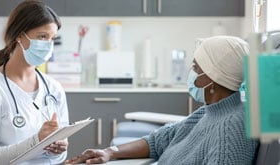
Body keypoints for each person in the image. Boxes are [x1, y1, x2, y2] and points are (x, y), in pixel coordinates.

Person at [66, 36, 259, 165]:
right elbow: (160, 140)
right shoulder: (209, 111)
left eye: (196, 68)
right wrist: (109, 152)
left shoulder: (232, 129)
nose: (191, 74)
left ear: (213, 79)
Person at [0, 0, 69, 164]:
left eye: (52, 39)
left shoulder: (54, 89)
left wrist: (58, 150)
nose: (48, 45)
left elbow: (59, 156)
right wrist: (37, 141)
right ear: (19, 36)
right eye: (42, 36)